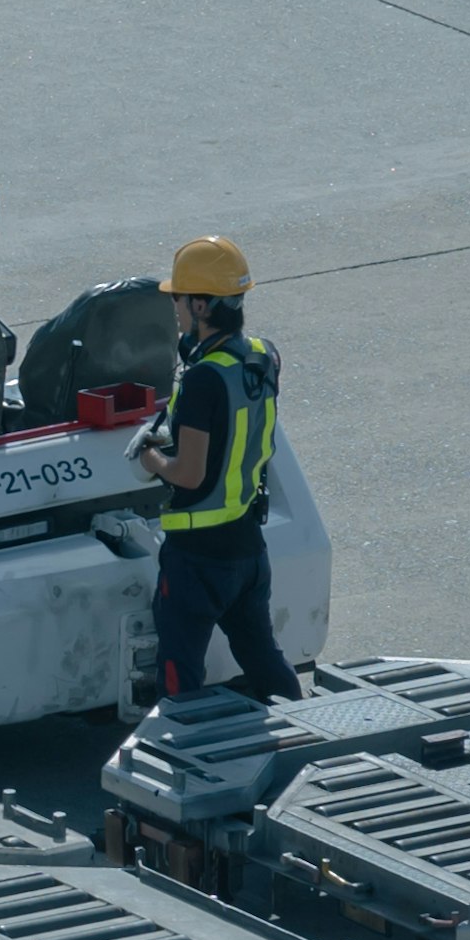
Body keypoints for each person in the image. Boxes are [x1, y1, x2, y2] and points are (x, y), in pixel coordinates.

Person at [134, 235, 301, 703]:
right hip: (247, 548)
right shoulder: (260, 356)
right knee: (263, 656)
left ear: (202, 305)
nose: (177, 311)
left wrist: (150, 458)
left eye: (181, 301)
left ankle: (180, 760)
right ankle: (308, 734)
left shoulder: (204, 378)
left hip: (197, 558)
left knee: (179, 671)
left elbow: (188, 473)